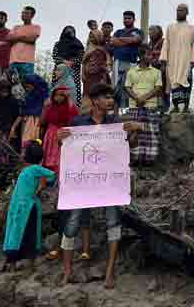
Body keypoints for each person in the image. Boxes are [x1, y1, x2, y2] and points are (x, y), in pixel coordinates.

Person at [57, 83, 140, 288]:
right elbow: (67, 149)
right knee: (72, 224)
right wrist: (61, 138)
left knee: (113, 222)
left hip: (109, 183)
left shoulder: (115, 123)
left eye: (112, 97)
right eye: (106, 97)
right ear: (94, 101)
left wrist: (135, 132)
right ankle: (67, 271)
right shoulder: (78, 122)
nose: (110, 100)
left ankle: (110, 273)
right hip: (82, 184)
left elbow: (129, 146)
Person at [2, 140, 56, 272]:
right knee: (29, 233)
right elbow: (51, 176)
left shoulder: (31, 169)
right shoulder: (32, 169)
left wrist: (41, 185)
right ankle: (29, 263)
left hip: (23, 207)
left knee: (18, 233)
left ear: (27, 156)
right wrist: (41, 186)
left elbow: (52, 175)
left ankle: (14, 264)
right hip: (27, 206)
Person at [125, 45, 163, 166]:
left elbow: (158, 88)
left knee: (151, 134)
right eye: (148, 55)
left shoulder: (156, 72)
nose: (151, 57)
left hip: (151, 107)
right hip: (134, 107)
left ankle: (149, 161)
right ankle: (135, 160)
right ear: (141, 56)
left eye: (151, 55)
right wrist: (137, 98)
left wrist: (144, 98)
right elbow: (127, 87)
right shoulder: (131, 72)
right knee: (135, 133)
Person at [161, 4, 194, 113]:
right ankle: (175, 107)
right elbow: (166, 43)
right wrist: (164, 59)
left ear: (187, 12)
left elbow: (193, 45)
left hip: (186, 60)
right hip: (173, 60)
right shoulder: (170, 27)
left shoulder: (191, 28)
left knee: (187, 81)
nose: (179, 12)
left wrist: (193, 60)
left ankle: (186, 107)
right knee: (174, 81)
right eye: (177, 10)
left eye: (181, 10)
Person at [110, 11, 143, 113]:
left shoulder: (138, 31)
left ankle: (126, 113)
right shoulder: (118, 31)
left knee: (128, 88)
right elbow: (113, 41)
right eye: (125, 18)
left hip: (131, 63)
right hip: (117, 63)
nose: (127, 20)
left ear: (134, 19)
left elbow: (136, 40)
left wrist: (120, 40)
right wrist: (129, 40)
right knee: (116, 88)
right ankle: (115, 114)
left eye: (129, 18)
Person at [41, 87, 78, 174]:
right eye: (56, 95)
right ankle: (48, 176)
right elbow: (42, 121)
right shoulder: (50, 107)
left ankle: (58, 175)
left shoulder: (69, 106)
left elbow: (74, 118)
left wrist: (69, 98)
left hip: (63, 134)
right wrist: (44, 108)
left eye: (61, 95)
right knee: (48, 156)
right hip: (50, 135)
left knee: (60, 157)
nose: (58, 97)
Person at [10, 74, 48, 153]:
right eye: (25, 87)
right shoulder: (28, 97)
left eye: (29, 86)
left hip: (38, 124)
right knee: (26, 146)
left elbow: (45, 113)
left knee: (36, 146)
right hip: (27, 125)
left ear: (35, 85)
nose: (27, 89)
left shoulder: (44, 99)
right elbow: (22, 114)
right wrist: (13, 127)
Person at [51, 26, 84, 107]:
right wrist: (64, 61)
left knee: (74, 92)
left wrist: (72, 62)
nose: (69, 33)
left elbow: (82, 58)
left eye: (71, 31)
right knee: (57, 91)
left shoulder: (79, 45)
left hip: (74, 71)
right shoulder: (58, 44)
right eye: (67, 31)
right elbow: (54, 56)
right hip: (60, 70)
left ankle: (74, 112)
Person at [81, 30, 112, 113]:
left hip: (99, 77)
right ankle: (87, 113)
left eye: (93, 36)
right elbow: (84, 63)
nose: (91, 38)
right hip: (88, 78)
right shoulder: (88, 49)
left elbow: (108, 62)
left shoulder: (103, 49)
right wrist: (83, 73)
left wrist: (107, 68)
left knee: (99, 94)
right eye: (90, 37)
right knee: (88, 95)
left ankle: (100, 112)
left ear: (99, 37)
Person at [8, 6, 41, 79]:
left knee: (27, 84)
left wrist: (17, 37)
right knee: (12, 84)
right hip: (13, 60)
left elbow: (32, 39)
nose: (23, 15)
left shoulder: (36, 27)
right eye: (22, 13)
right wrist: (24, 37)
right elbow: (8, 38)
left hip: (27, 62)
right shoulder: (16, 27)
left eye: (26, 13)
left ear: (32, 15)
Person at [148, 25, 169, 112]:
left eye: (153, 31)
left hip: (161, 68)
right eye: (149, 31)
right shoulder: (149, 44)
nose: (151, 33)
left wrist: (154, 54)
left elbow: (165, 54)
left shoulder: (164, 42)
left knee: (163, 89)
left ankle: (163, 109)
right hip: (151, 69)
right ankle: (153, 108)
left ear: (159, 32)